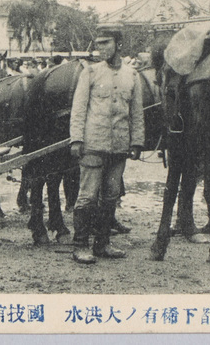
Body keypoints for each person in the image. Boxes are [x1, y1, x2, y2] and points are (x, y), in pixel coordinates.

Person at [68, 25, 144, 265]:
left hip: (119, 147)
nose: (100, 48)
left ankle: (102, 244)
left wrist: (137, 142)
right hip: (93, 144)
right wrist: (77, 139)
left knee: (111, 197)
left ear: (118, 45)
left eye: (105, 43)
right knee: (87, 197)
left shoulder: (132, 75)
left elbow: (137, 113)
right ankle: (80, 245)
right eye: (98, 43)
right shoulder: (90, 72)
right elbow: (78, 109)